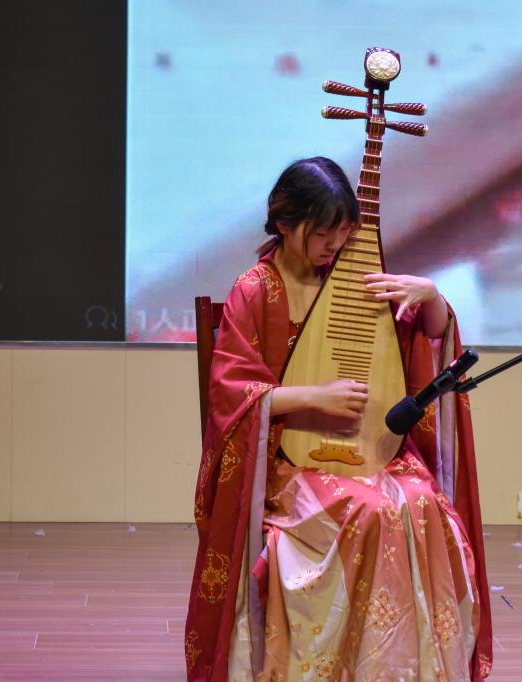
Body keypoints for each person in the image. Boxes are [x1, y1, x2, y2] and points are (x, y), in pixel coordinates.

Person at [185, 157, 492, 681]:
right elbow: (232, 392)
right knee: (367, 510)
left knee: (420, 502)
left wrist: (432, 299)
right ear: (284, 224)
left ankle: (407, 669)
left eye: (343, 232)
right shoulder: (256, 289)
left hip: (371, 447)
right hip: (289, 457)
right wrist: (314, 396)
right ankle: (339, 666)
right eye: (323, 233)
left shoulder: (353, 282)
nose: (335, 245)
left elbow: (425, 342)